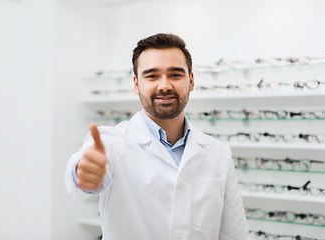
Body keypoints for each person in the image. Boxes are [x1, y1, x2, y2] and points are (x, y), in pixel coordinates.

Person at [65, 33, 249, 240]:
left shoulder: (218, 153)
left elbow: (235, 233)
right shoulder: (113, 141)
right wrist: (84, 171)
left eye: (175, 75)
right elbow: (86, 168)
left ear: (191, 81)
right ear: (136, 84)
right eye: (152, 76)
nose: (164, 85)